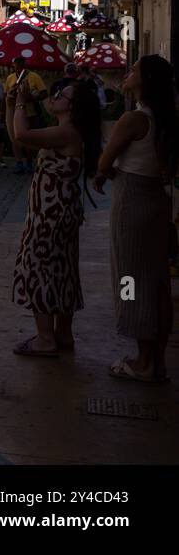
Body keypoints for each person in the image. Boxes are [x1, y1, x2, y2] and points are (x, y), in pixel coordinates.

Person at [93, 54, 176, 383]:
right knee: (156, 283)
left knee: (131, 279)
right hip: (157, 201)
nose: (128, 73)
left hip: (132, 204)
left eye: (135, 70)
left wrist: (105, 172)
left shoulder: (134, 119)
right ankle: (157, 361)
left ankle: (143, 362)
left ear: (145, 81)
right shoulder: (166, 119)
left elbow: (103, 162)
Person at [9, 79, 102, 356]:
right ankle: (62, 334)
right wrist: (12, 103)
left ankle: (45, 339)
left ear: (72, 108)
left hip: (51, 212)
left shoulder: (66, 132)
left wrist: (22, 102)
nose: (55, 95)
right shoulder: (70, 131)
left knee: (38, 268)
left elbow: (22, 134)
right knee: (61, 270)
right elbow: (19, 135)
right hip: (60, 210)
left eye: (61, 95)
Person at [4, 58, 48, 173]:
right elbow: (6, 94)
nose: (17, 69)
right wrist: (11, 94)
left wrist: (32, 96)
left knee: (28, 139)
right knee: (14, 138)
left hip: (30, 113)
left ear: (24, 66)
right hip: (14, 112)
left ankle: (29, 162)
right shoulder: (10, 78)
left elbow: (44, 93)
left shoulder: (34, 76)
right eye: (15, 67)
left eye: (19, 66)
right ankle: (19, 162)